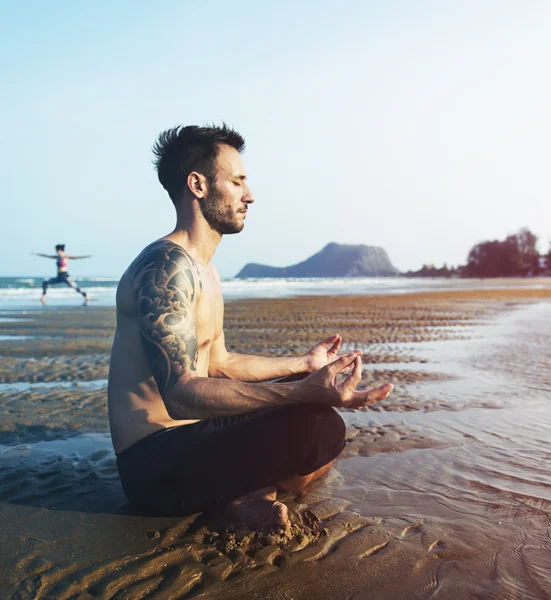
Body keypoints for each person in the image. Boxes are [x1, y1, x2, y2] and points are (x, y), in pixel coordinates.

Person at [108, 125, 393, 530]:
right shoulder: (166, 268)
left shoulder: (203, 268)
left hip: (191, 442)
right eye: (237, 181)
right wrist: (298, 391)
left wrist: (301, 364)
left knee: (320, 422)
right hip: (154, 466)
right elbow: (180, 395)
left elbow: (219, 364)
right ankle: (245, 496)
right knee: (313, 425)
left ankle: (245, 496)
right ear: (198, 185)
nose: (250, 195)